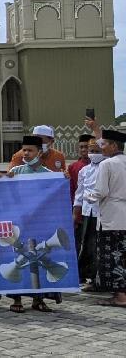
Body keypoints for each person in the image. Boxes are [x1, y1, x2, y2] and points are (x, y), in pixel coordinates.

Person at [2, 135, 57, 313]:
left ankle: (38, 299)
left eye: (29, 150)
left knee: (39, 259)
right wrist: (1, 179)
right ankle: (16, 299)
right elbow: (5, 193)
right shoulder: (16, 172)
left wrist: (63, 179)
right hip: (19, 223)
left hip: (40, 223)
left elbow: (54, 198)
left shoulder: (49, 175)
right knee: (18, 259)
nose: (25, 153)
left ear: (39, 152)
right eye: (23, 150)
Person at [88, 128, 126, 307]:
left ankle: (120, 296)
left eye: (105, 144)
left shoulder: (107, 164)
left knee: (112, 256)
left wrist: (87, 197)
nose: (101, 148)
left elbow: (100, 191)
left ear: (114, 145)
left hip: (111, 216)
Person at [74, 146, 106, 289]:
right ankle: (85, 275)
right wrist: (76, 212)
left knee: (99, 245)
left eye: (97, 151)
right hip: (87, 212)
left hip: (103, 211)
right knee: (86, 244)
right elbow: (79, 192)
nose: (93, 154)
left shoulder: (106, 167)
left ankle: (98, 278)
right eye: (91, 151)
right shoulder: (84, 170)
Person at [69, 134, 93, 204]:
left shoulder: (100, 165)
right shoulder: (72, 167)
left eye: (86, 147)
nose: (83, 150)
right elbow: (71, 189)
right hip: (79, 204)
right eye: (81, 147)